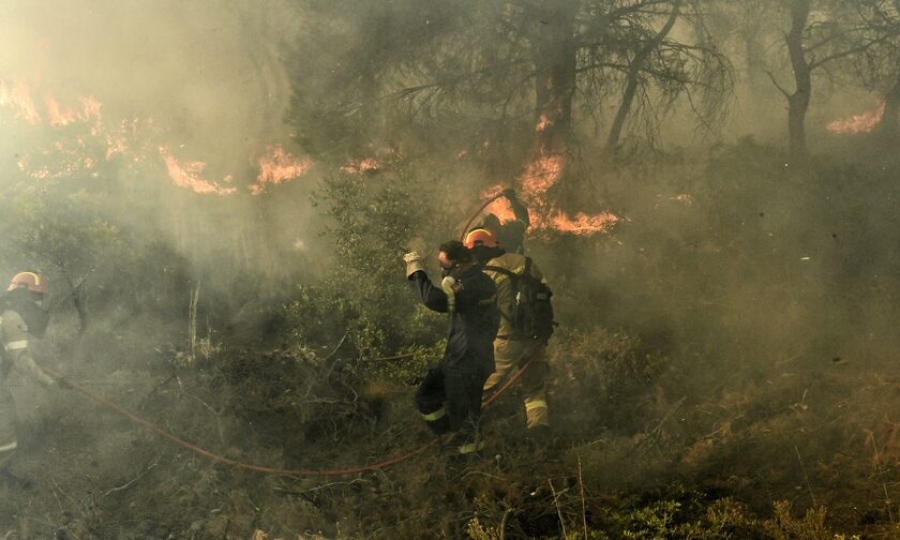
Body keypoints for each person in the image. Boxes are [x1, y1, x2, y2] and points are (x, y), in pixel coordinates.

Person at [404, 241, 499, 456]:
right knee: (426, 396)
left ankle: (471, 462)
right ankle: (448, 433)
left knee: (465, 418)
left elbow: (433, 299)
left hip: (469, 361)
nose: (442, 272)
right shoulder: (470, 279)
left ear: (459, 264)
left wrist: (416, 271)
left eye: (444, 268)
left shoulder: (476, 285)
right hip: (457, 357)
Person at [464, 228, 553, 440]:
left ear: (476, 249)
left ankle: (463, 439)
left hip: (506, 342)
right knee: (534, 391)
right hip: (536, 339)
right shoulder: (526, 262)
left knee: (478, 389)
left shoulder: (486, 274)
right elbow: (545, 291)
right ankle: (539, 435)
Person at [0, 271, 67, 473]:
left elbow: (22, 350)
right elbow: (21, 359)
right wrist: (49, 382)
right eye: (36, 297)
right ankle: (3, 475)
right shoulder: (12, 317)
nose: (38, 303)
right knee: (4, 417)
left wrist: (54, 373)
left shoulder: (6, 313)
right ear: (23, 293)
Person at [472, 188, 530, 255]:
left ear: (498, 225)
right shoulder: (483, 246)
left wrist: (513, 201)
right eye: (489, 227)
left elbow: (523, 220)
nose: (492, 229)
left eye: (492, 225)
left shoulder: (511, 231)